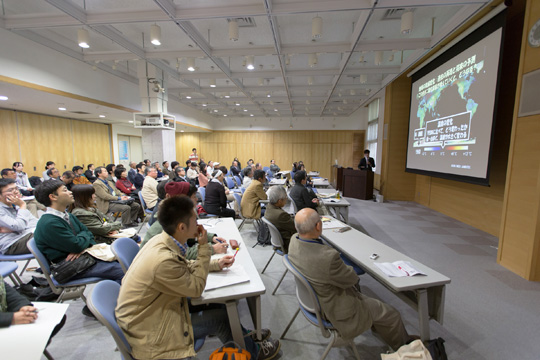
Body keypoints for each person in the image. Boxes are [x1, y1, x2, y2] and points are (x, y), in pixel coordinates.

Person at [116, 196, 280, 360]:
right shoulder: (162, 261)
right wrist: (203, 248)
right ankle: (254, 353)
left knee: (220, 304)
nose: (199, 224)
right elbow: (196, 289)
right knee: (220, 318)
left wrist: (215, 264)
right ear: (181, 227)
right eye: (195, 220)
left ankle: (243, 339)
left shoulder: (162, 239)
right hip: (150, 329)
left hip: (153, 310)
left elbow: (183, 264)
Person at [289, 208, 412, 351]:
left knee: (375, 307)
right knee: (392, 314)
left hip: (313, 300)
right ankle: (405, 348)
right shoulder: (328, 258)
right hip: (334, 308)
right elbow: (352, 279)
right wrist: (343, 263)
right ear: (318, 226)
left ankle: (379, 327)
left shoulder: (293, 240)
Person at [141, 182, 228, 256]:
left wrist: (211, 238)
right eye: (194, 197)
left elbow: (189, 235)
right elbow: (181, 254)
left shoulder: (176, 215)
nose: (196, 199)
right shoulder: (168, 224)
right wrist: (212, 249)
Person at [0, 178, 38, 255]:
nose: (16, 192)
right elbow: (19, 226)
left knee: (53, 227)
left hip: (25, 235)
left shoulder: (15, 205)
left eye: (16, 189)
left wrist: (18, 227)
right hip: (11, 244)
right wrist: (22, 205)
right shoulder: (20, 205)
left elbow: (35, 222)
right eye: (10, 190)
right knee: (49, 233)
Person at [264, 186, 295, 251]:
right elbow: (296, 226)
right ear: (280, 201)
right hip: (287, 243)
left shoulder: (269, 207)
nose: (286, 200)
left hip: (278, 240)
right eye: (286, 198)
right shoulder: (281, 215)